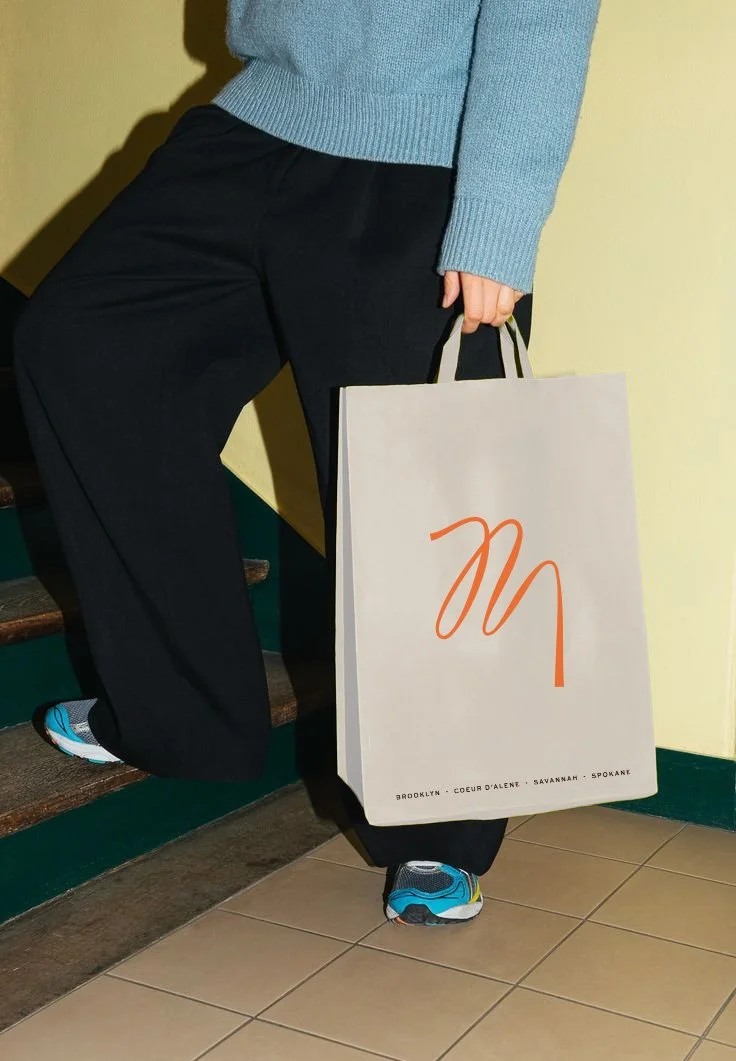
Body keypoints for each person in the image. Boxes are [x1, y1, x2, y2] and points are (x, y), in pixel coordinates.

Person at [14, 0, 601, 926]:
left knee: (425, 505)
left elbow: (543, 15)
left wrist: (498, 214)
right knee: (86, 349)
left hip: (428, 163)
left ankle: (439, 835)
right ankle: (179, 713)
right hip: (258, 120)